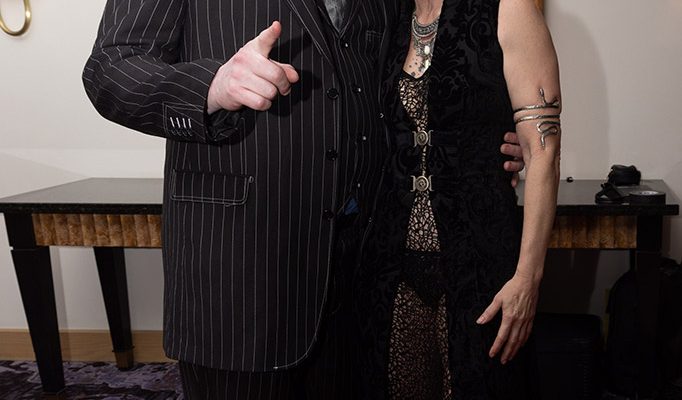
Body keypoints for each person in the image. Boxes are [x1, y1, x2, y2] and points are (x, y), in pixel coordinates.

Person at [82, 0, 526, 398]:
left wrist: (482, 136)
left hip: (359, 281)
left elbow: (406, 79)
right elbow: (111, 67)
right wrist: (211, 88)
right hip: (238, 278)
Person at [356, 0, 561, 398]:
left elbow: (543, 152)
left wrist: (528, 279)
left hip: (480, 263)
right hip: (390, 267)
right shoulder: (389, 17)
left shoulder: (509, 7)